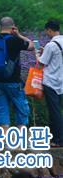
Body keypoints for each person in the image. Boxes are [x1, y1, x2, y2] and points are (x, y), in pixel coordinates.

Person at [0, 17, 33, 128]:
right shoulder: (15, 40)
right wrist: (19, 35)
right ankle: (21, 141)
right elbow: (32, 45)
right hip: (14, 81)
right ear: (13, 27)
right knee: (21, 110)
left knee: (1, 111)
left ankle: (5, 142)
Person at [39, 19, 63, 147]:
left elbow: (42, 62)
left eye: (46, 31)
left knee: (54, 112)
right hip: (61, 81)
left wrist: (38, 54)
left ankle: (58, 140)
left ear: (49, 30)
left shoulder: (51, 45)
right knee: (57, 109)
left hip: (51, 81)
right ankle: (54, 139)